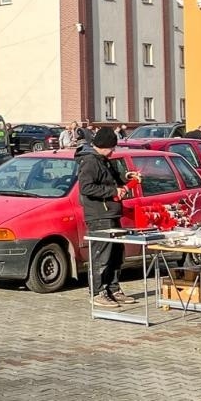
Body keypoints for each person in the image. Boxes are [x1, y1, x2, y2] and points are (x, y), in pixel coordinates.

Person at [76, 127, 131, 306]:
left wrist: (126, 177)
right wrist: (112, 191)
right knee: (101, 255)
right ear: (104, 145)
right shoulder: (90, 161)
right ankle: (98, 292)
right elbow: (86, 188)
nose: (113, 151)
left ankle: (113, 288)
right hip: (99, 215)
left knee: (116, 254)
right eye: (112, 148)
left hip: (112, 213)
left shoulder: (103, 160)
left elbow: (112, 178)